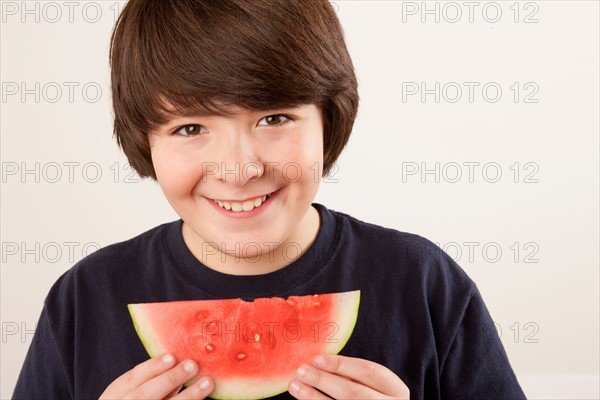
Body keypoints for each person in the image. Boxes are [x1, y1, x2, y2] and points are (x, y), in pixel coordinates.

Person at [12, 1, 526, 399]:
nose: (240, 169)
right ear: (144, 142)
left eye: (274, 118)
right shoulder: (84, 299)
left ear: (329, 118)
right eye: (191, 127)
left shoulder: (424, 283)